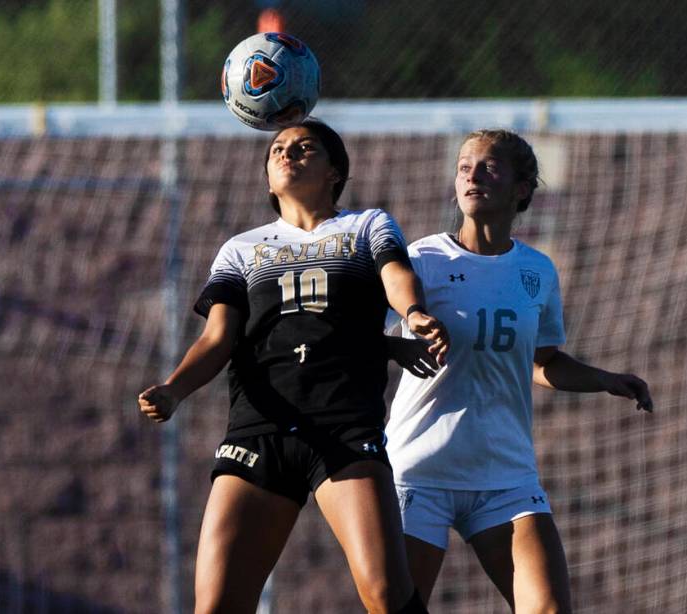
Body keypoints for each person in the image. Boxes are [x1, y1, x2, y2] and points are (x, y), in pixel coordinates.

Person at [138, 119, 447, 614]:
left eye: (306, 148)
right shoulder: (241, 250)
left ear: (335, 172)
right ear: (266, 179)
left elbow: (396, 275)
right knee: (215, 605)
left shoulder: (366, 226)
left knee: (388, 597)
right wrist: (174, 389)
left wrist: (411, 314)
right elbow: (218, 337)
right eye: (278, 149)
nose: (288, 154)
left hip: (343, 428)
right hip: (258, 432)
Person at [385, 129, 653, 612]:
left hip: (504, 475)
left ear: (522, 188)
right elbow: (364, 335)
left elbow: (541, 363)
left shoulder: (537, 271)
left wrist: (603, 379)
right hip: (418, 473)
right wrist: (396, 343)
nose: (473, 176)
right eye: (465, 167)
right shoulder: (419, 261)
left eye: (489, 167)